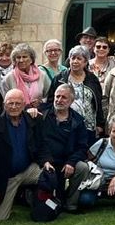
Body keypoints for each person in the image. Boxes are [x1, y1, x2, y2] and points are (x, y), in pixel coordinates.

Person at [0, 88, 43, 222]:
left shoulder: (32, 121)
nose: (14, 107)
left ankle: (37, 202)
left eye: (18, 103)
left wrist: (47, 162)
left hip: (28, 170)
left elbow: (42, 145)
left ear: (24, 104)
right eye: (10, 103)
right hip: (7, 178)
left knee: (49, 174)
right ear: (4, 105)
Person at [38, 83, 94, 212]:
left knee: (83, 167)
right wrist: (45, 160)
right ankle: (40, 201)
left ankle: (70, 203)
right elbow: (37, 142)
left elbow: (82, 147)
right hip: (44, 161)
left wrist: (71, 162)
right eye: (57, 96)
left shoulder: (78, 121)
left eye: (64, 97)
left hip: (65, 162)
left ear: (71, 101)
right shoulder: (42, 114)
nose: (59, 100)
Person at [49, 46, 105, 135]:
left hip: (88, 128)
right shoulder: (60, 79)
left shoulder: (92, 79)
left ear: (85, 62)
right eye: (73, 58)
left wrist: (100, 125)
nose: (75, 61)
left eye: (79, 59)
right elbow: (50, 101)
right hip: (64, 127)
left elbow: (98, 102)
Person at [2, 43, 45, 112]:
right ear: (14, 60)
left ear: (31, 59)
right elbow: (5, 101)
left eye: (24, 57)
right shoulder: (9, 78)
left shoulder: (42, 75)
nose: (21, 60)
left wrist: (41, 101)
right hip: (17, 116)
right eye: (18, 57)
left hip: (38, 114)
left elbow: (49, 96)